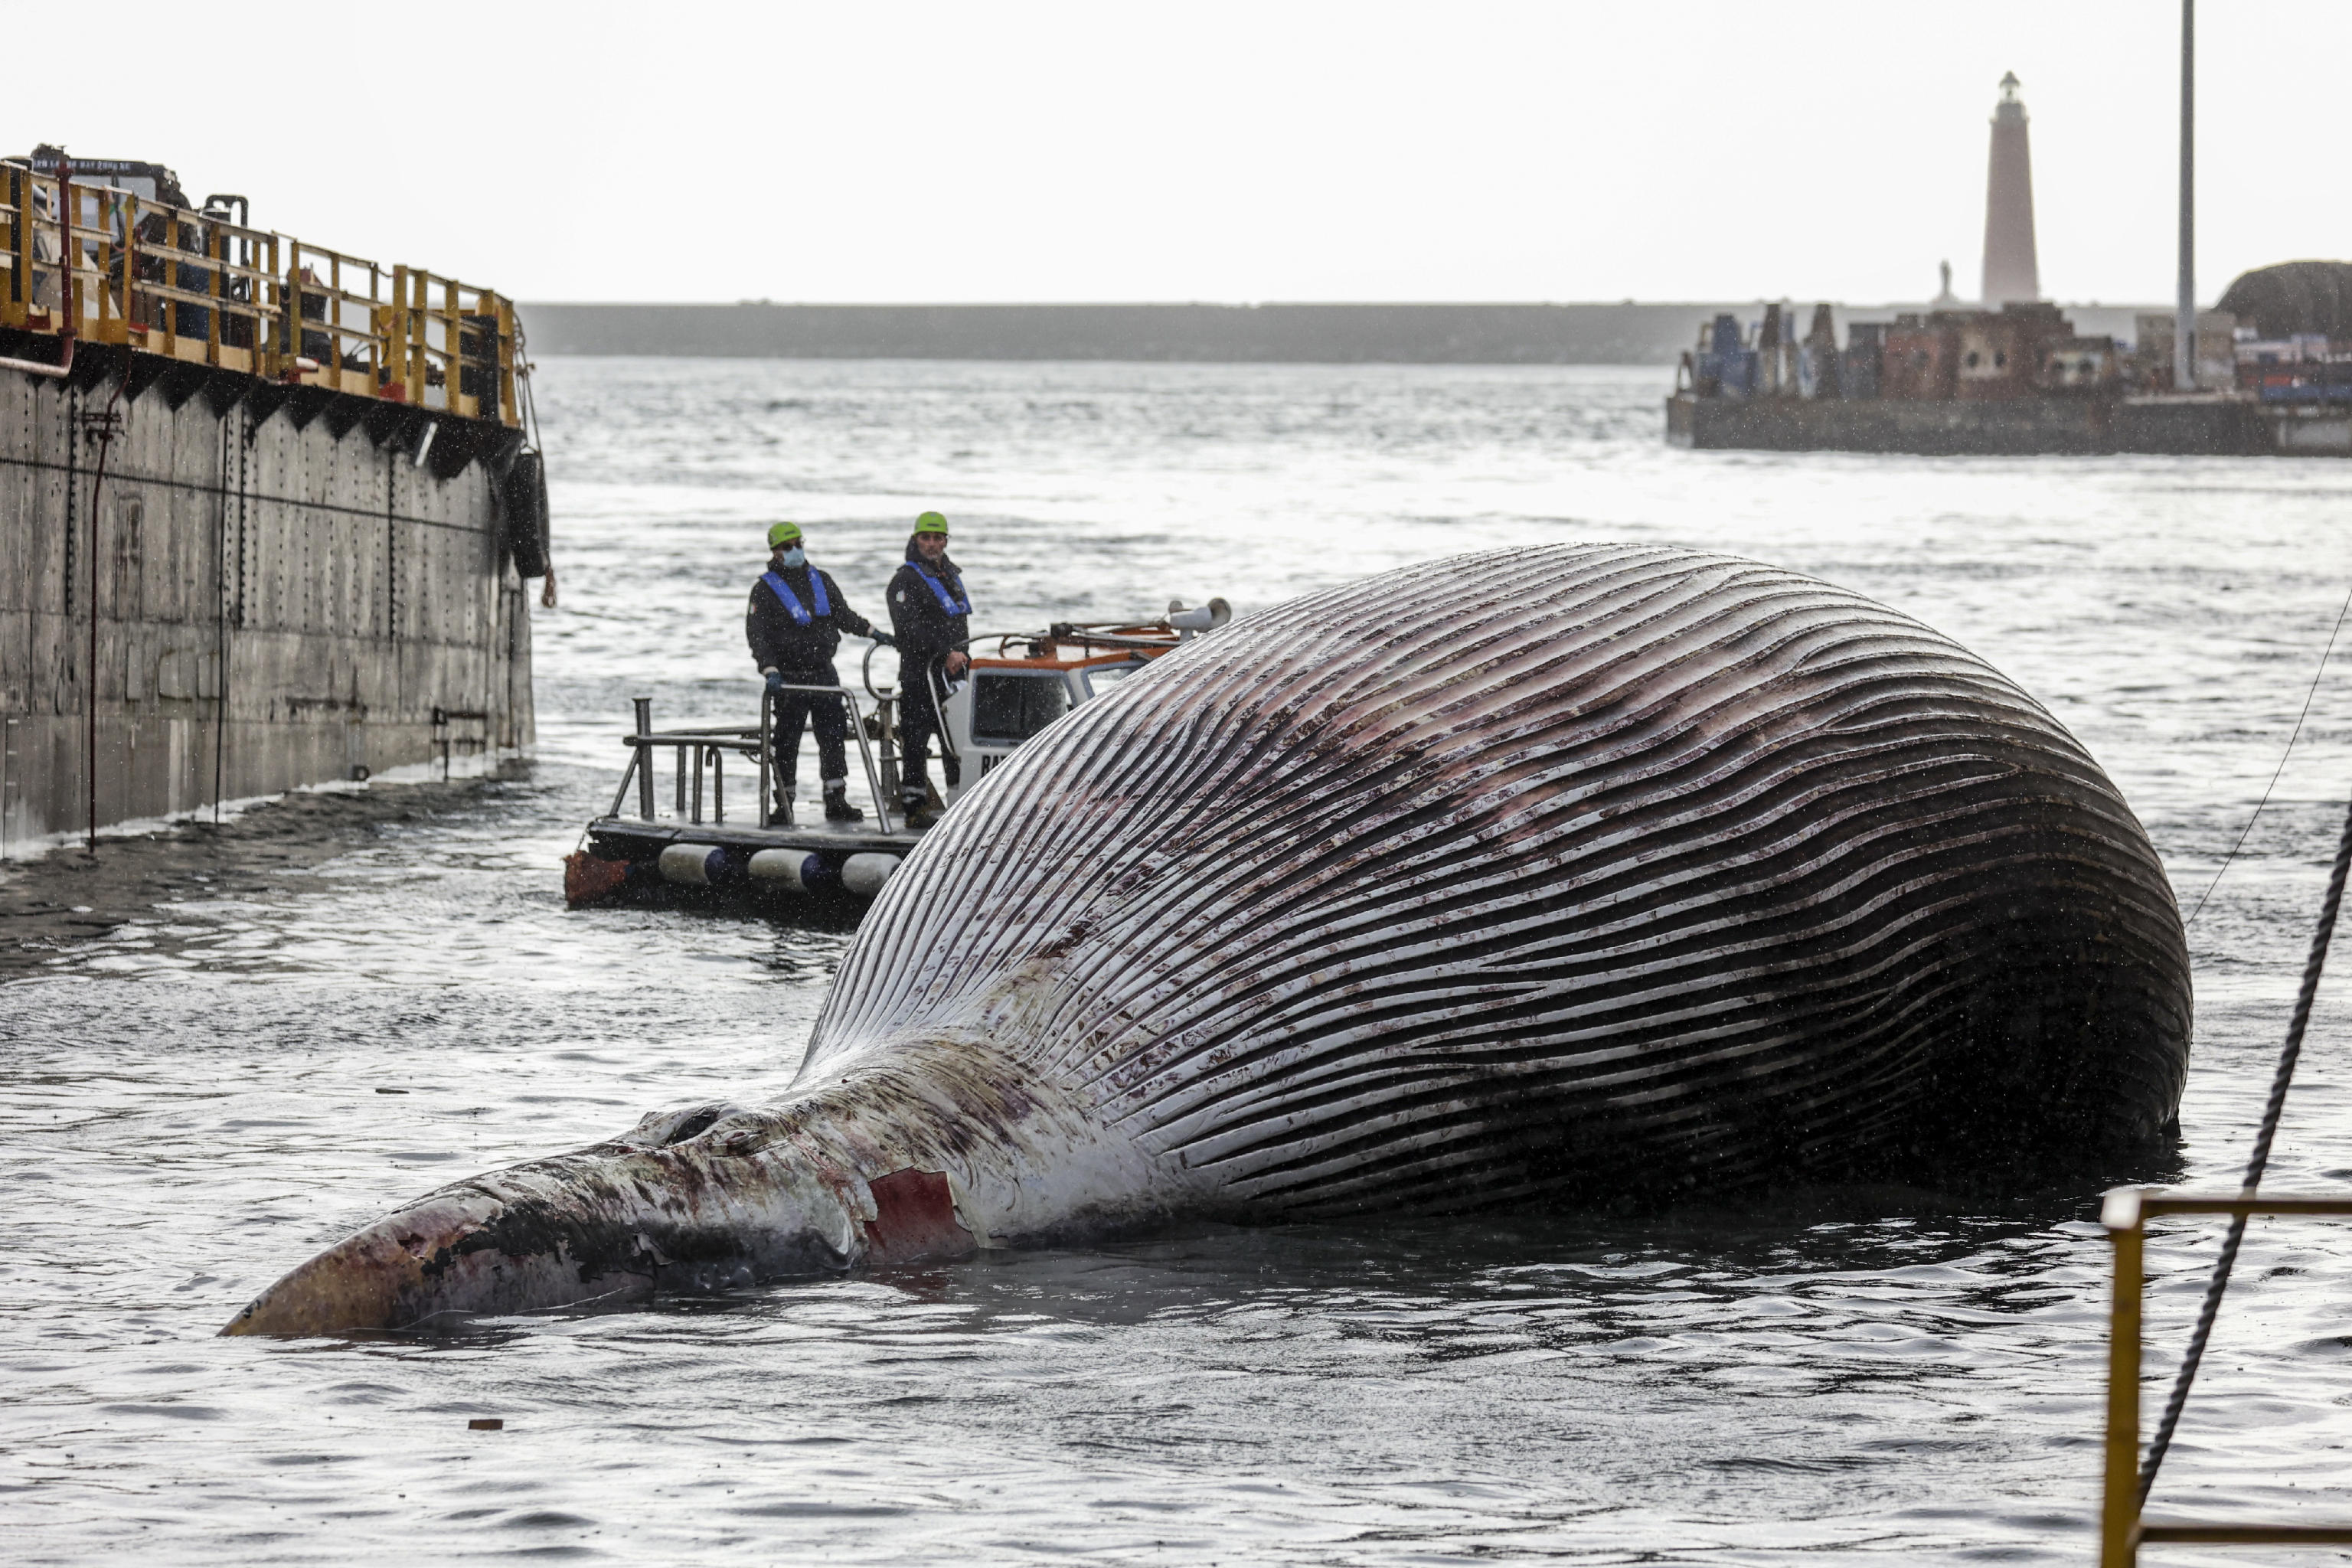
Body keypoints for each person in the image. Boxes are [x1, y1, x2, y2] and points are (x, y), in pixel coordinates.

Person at [745, 521, 890, 823]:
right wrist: (770, 670)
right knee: (786, 742)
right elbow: (757, 635)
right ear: (776, 552)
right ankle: (784, 803)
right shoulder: (764, 590)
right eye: (788, 547)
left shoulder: (821, 580)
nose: (796, 550)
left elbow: (844, 615)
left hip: (824, 674)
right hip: (789, 678)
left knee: (833, 736)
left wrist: (874, 633)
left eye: (799, 544)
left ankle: (836, 799)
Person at [887, 511, 972, 829]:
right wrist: (943, 651)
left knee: (956, 739)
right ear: (915, 540)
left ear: (946, 541)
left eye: (938, 538)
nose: (932, 544)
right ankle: (914, 805)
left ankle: (958, 804)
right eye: (926, 538)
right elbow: (907, 629)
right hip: (919, 674)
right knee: (916, 739)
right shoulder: (904, 581)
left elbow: (960, 623)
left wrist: (962, 655)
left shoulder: (950, 576)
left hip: (953, 674)